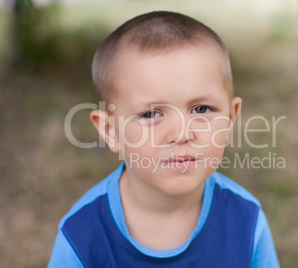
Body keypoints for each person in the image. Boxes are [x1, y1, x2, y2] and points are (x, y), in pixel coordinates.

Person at [48, 11, 280, 267]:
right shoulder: (81, 236)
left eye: (201, 109)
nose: (181, 133)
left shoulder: (246, 221)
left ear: (230, 118)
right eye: (150, 114)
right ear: (111, 131)